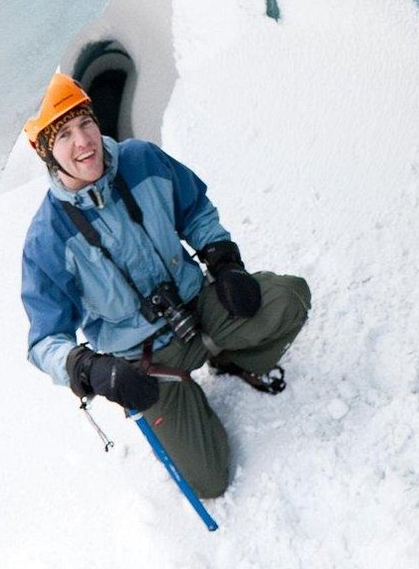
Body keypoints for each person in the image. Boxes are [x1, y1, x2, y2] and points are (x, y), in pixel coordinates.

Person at [20, 73, 311, 499]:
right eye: (64, 134)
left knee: (289, 298)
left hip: (199, 308)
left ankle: (231, 359)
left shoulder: (141, 159)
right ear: (47, 152)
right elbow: (45, 339)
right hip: (146, 363)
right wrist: (91, 369)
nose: (84, 141)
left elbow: (195, 211)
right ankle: (184, 402)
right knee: (210, 480)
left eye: (85, 123)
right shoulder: (47, 239)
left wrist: (224, 262)